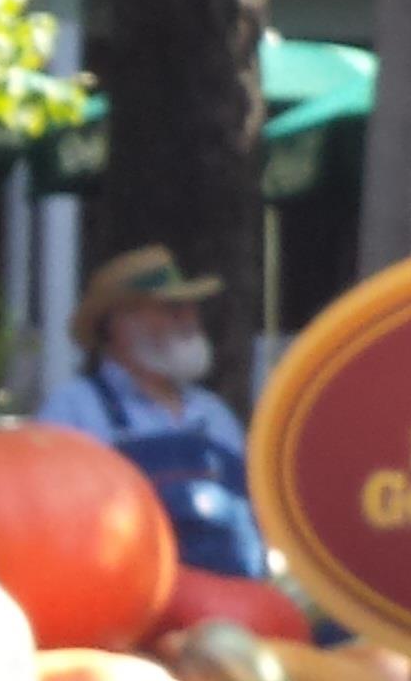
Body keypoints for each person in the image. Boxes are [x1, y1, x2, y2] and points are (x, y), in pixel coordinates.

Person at [40, 243, 267, 579]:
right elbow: (48, 523)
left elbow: (257, 514)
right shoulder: (73, 410)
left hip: (236, 603)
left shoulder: (213, 413)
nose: (189, 319)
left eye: (191, 308)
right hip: (129, 603)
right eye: (171, 308)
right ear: (118, 323)